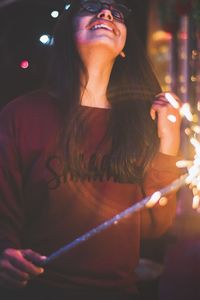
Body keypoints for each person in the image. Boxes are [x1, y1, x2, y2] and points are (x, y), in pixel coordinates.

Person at [0, 0, 182, 299]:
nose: (107, 14)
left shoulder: (143, 124)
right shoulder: (21, 115)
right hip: (37, 290)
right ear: (67, 34)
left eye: (117, 13)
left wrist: (170, 141)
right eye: (92, 7)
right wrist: (4, 251)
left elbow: (153, 227)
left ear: (124, 47)